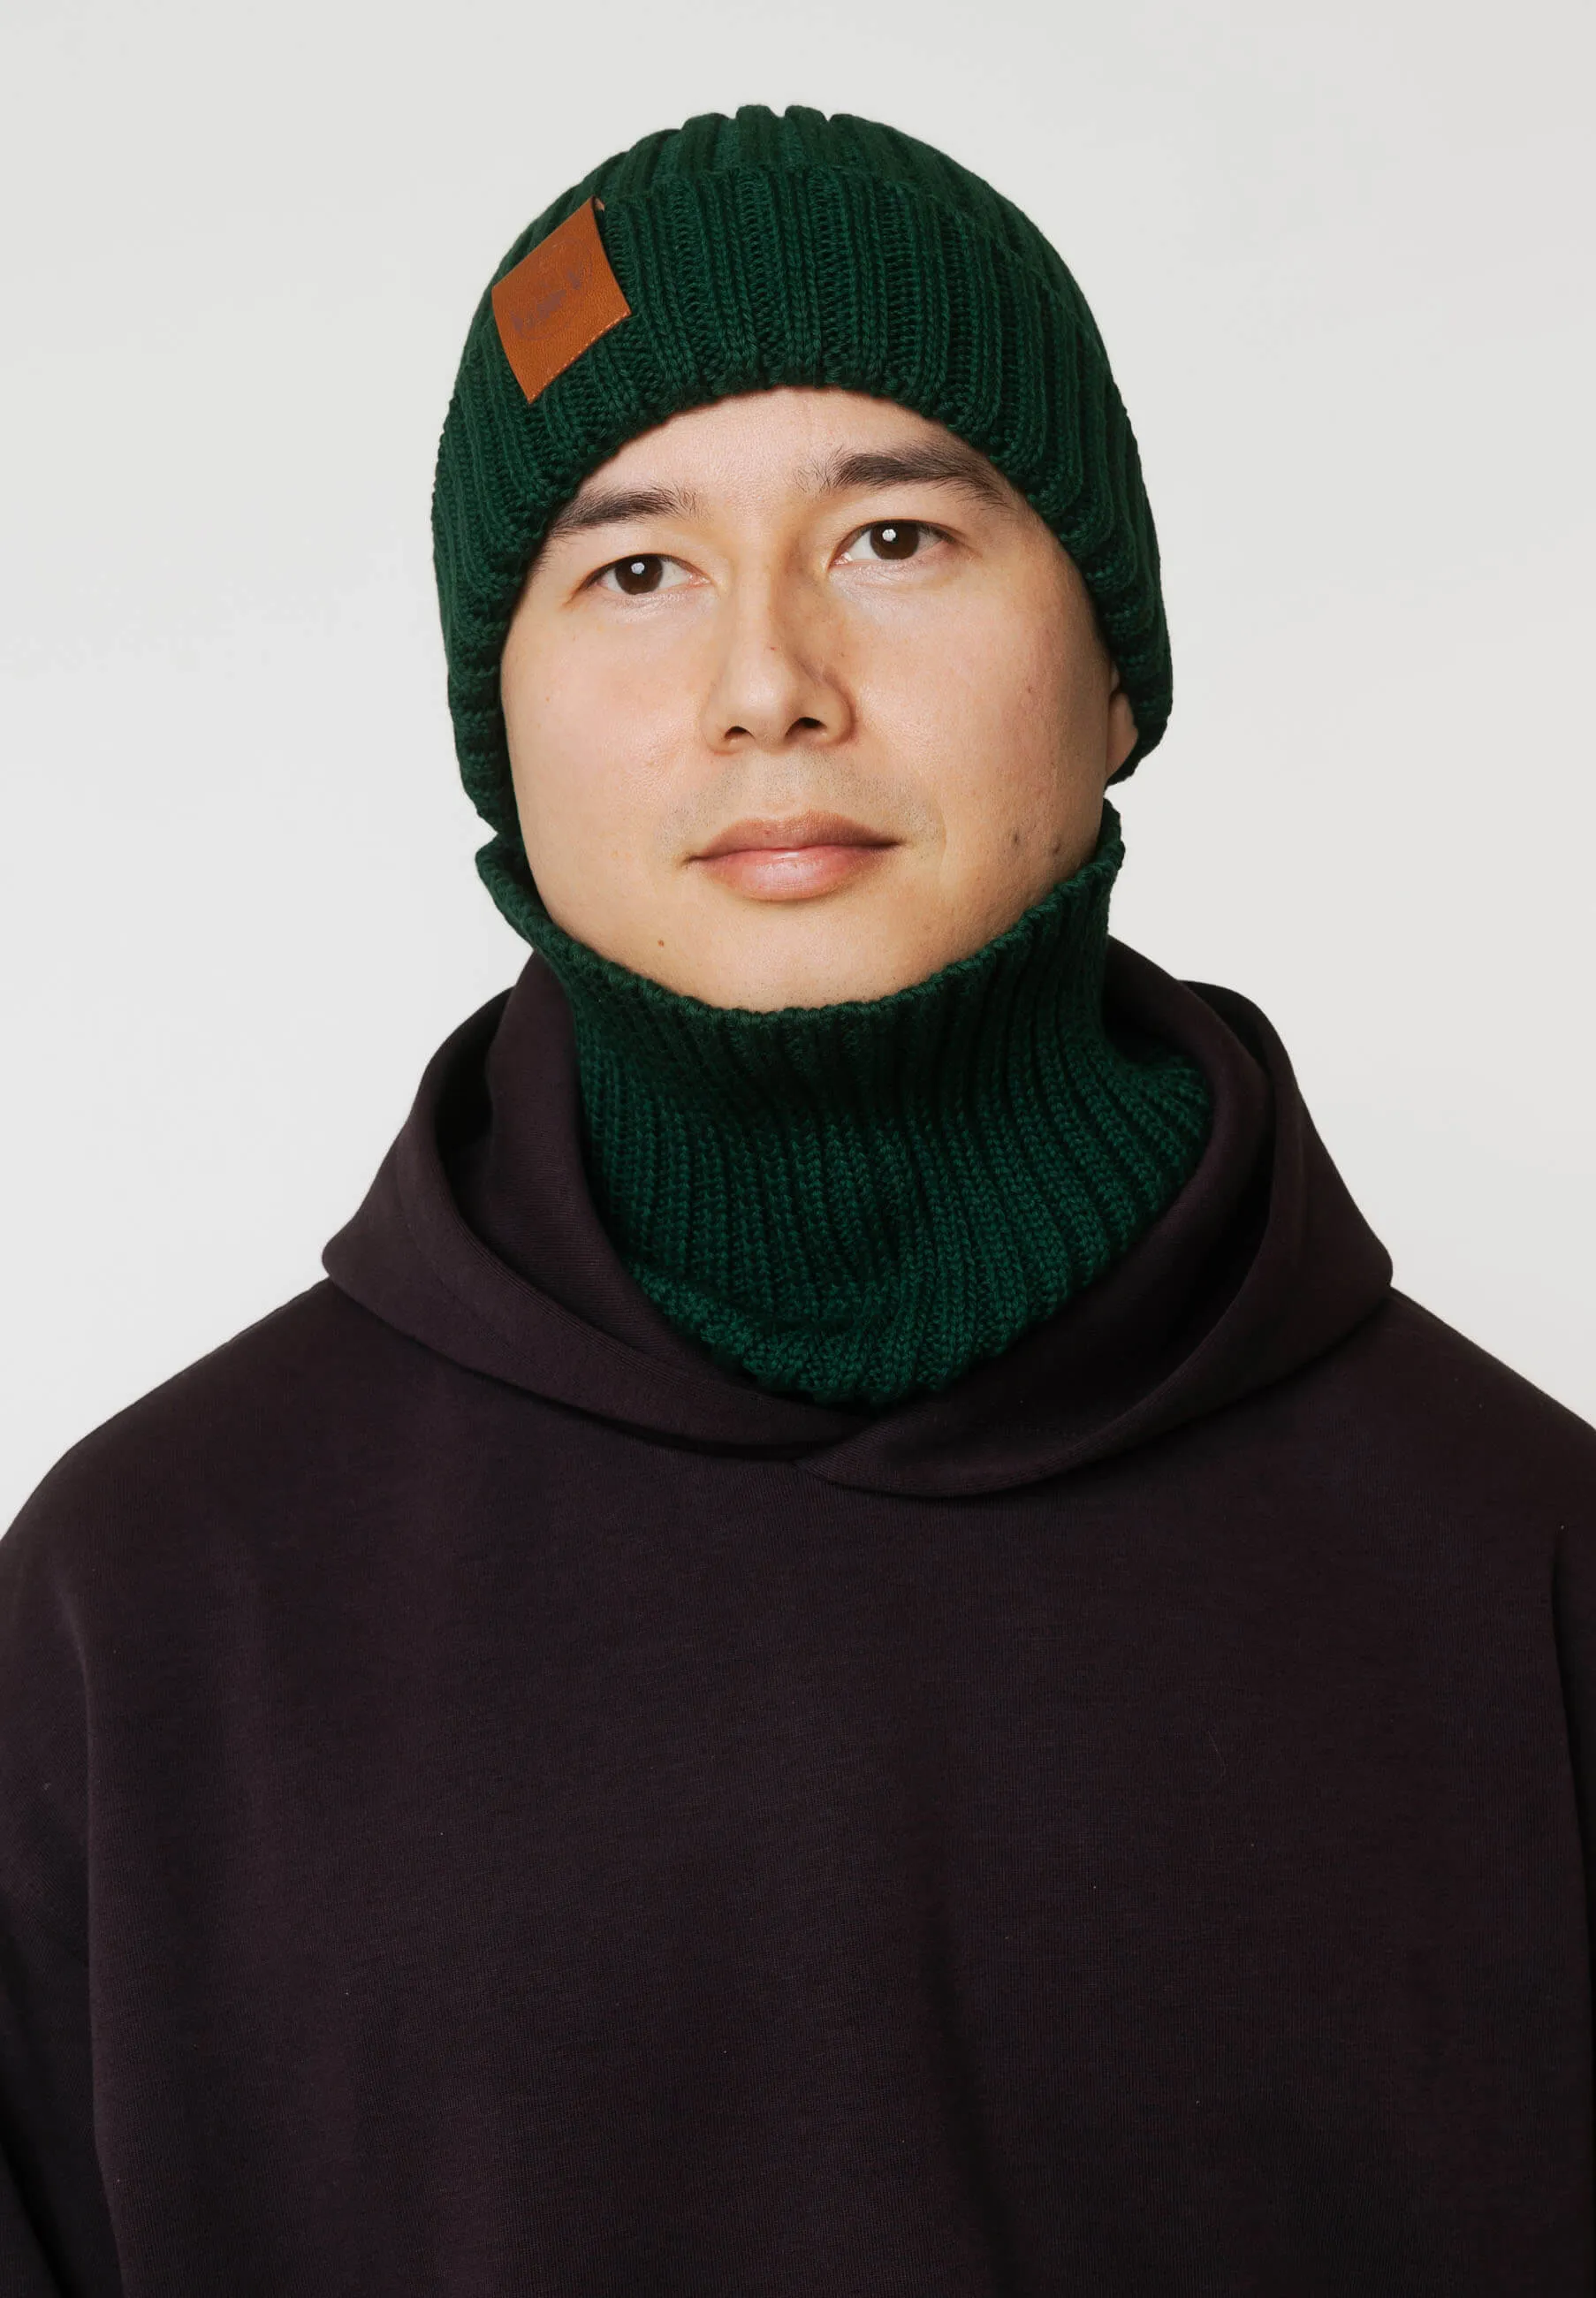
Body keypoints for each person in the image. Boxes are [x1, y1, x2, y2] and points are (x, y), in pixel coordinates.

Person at [3, 102, 1593, 2296]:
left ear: (1118, 666)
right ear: (496, 724)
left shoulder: (1530, 1569)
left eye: (895, 539)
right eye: (636, 571)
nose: (768, 687)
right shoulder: (142, 1608)